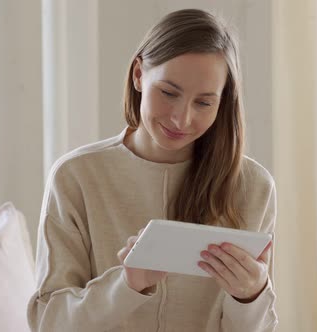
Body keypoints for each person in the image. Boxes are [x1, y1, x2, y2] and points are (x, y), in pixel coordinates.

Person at [27, 8, 278, 332]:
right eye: (169, 93)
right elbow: (50, 323)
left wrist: (251, 297)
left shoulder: (253, 187)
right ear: (138, 75)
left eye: (204, 102)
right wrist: (129, 283)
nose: (181, 119)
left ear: (222, 101)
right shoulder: (77, 177)